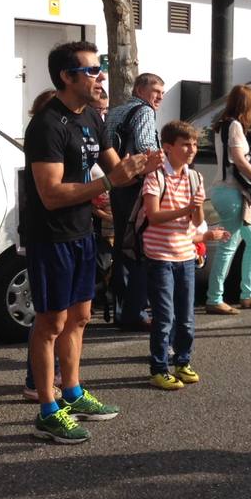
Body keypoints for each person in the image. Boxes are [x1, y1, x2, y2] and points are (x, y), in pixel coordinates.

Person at [22, 41, 162, 443]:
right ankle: (48, 409)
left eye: (100, 67)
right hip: (52, 237)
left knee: (81, 318)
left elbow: (117, 169)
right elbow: (50, 193)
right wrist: (108, 182)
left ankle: (74, 392)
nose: (100, 75)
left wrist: (142, 167)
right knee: (52, 322)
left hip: (84, 232)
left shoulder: (92, 119)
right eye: (91, 69)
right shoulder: (47, 125)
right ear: (67, 77)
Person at [141, 121, 228, 389]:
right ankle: (158, 368)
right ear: (168, 148)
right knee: (165, 316)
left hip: (185, 254)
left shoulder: (195, 177)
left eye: (193, 144)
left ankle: (183, 361)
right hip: (159, 256)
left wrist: (196, 211)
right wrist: (185, 209)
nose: (191, 149)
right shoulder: (156, 176)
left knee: (187, 316)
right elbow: (153, 215)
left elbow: (197, 218)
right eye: (185, 144)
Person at [105, 72, 165, 331]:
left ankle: (119, 309)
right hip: (138, 185)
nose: (160, 97)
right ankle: (135, 312)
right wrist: (161, 159)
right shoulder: (144, 112)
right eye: (156, 91)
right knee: (138, 246)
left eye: (162, 93)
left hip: (118, 183)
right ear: (140, 90)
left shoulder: (116, 112)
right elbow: (145, 145)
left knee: (122, 244)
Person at [205, 85, 251, 315]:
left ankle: (248, 292)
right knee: (228, 246)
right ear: (245, 106)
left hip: (224, 191)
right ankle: (215, 298)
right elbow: (240, 160)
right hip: (233, 192)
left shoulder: (221, 125)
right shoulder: (236, 126)